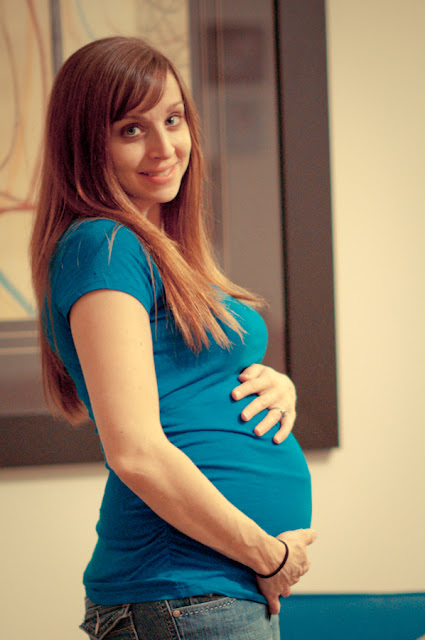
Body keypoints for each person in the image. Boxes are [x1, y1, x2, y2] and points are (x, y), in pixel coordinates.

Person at [31, 36, 316, 640]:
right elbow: (135, 450)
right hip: (182, 591)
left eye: (173, 119)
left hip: (204, 593)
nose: (164, 148)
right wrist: (268, 555)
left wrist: (277, 386)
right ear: (86, 143)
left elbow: (184, 380)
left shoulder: (159, 251)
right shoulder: (103, 245)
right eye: (131, 129)